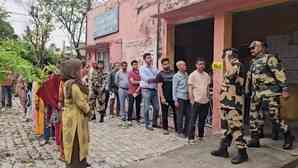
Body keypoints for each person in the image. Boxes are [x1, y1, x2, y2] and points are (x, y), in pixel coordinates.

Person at [246, 41, 295, 150]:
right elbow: (250, 78)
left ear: (262, 48)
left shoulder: (270, 59)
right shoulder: (253, 62)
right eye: (250, 48)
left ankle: (288, 136)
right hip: (256, 94)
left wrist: (285, 89)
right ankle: (255, 139)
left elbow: (280, 74)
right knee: (254, 117)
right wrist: (248, 90)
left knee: (275, 117)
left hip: (270, 93)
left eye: (254, 47)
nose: (251, 50)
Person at [211, 48, 248, 164]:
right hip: (227, 102)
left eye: (225, 55)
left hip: (234, 103)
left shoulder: (237, 65)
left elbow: (230, 75)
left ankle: (243, 153)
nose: (222, 58)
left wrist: (227, 59)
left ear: (230, 55)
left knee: (236, 127)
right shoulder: (232, 65)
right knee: (228, 128)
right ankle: (223, 149)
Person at [60, 58, 90, 168]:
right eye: (80, 69)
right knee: (76, 143)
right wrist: (89, 110)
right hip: (76, 120)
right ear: (73, 72)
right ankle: (77, 164)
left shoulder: (67, 83)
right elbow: (81, 102)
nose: (82, 71)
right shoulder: (74, 86)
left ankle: (74, 163)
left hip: (69, 117)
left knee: (71, 144)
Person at [188, 58, 211, 143]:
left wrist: (208, 98)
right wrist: (191, 99)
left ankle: (201, 136)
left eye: (202, 64)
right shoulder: (192, 75)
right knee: (193, 120)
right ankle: (191, 138)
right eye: (199, 64)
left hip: (205, 101)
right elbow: (190, 88)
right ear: (196, 65)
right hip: (196, 101)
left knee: (202, 120)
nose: (201, 66)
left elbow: (207, 88)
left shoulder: (207, 75)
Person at [157, 58, 177, 135]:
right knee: (165, 113)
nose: (166, 65)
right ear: (162, 65)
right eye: (164, 64)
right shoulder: (160, 75)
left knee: (176, 113)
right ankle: (165, 128)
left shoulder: (173, 73)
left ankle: (177, 128)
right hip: (165, 97)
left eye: (167, 63)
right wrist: (162, 97)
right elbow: (159, 87)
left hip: (173, 97)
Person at [140, 53, 159, 130]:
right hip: (146, 90)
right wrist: (154, 79)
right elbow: (146, 79)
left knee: (157, 108)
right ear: (144, 60)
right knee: (147, 108)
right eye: (148, 58)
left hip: (154, 90)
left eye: (150, 58)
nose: (150, 59)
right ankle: (147, 124)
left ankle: (154, 123)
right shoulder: (142, 68)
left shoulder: (154, 68)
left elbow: (159, 76)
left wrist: (154, 79)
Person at [173, 61, 189, 137]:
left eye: (185, 64)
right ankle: (179, 132)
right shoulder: (176, 76)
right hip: (180, 98)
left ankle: (186, 131)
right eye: (184, 65)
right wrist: (175, 100)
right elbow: (174, 88)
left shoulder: (186, 74)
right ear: (179, 67)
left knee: (188, 115)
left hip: (186, 97)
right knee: (180, 116)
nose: (185, 66)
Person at [115, 61, 129, 127]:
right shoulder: (118, 73)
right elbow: (116, 82)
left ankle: (129, 115)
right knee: (122, 103)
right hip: (121, 89)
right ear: (121, 66)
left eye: (125, 65)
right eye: (123, 65)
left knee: (130, 103)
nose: (124, 67)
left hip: (128, 90)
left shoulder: (128, 73)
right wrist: (120, 86)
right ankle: (123, 116)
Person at [128, 60, 142, 124]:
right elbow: (132, 82)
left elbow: (142, 82)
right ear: (132, 65)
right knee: (130, 105)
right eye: (134, 64)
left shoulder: (140, 72)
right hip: (131, 92)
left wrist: (138, 88)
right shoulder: (130, 72)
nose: (135, 65)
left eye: (136, 64)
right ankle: (129, 119)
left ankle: (138, 118)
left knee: (138, 105)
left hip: (138, 91)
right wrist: (140, 82)